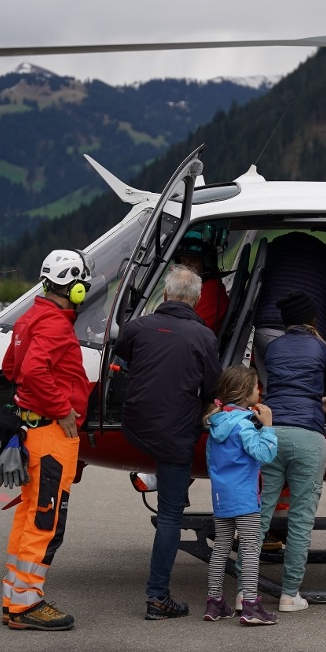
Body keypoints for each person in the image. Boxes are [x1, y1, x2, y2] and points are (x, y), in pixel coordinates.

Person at [115, 264, 222, 620]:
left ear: (164, 295)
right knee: (170, 517)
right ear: (196, 301)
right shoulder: (204, 337)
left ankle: (155, 474)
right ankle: (157, 597)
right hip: (175, 435)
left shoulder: (137, 327)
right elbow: (211, 389)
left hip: (134, 426)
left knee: (165, 466)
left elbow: (123, 360)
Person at [0, 249, 94, 630]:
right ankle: (27, 605)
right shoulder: (54, 323)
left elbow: (11, 368)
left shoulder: (30, 317)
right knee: (44, 520)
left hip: (29, 431)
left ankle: (15, 600)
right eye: (82, 282)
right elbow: (35, 370)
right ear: (73, 286)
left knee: (28, 517)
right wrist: (63, 408)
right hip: (52, 435)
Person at [256, 290, 326, 612]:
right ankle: (290, 595)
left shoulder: (274, 347)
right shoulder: (325, 348)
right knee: (301, 519)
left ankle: (245, 592)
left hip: (273, 432)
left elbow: (281, 387)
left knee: (262, 514)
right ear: (312, 319)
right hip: (307, 436)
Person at [203, 366, 279, 625]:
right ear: (246, 393)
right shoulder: (244, 425)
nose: (260, 390)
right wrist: (267, 427)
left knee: (221, 547)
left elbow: (211, 460)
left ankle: (214, 603)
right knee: (249, 548)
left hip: (221, 495)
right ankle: (251, 605)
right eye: (257, 386)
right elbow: (265, 454)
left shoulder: (217, 421)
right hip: (245, 496)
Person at [252, 232, 326, 385]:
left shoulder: (273, 249)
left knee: (273, 392)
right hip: (305, 338)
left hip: (262, 332)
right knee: (304, 393)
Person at [174, 232, 230, 337]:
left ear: (206, 264)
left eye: (193, 261)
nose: (187, 266)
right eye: (183, 260)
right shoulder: (189, 289)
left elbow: (192, 333)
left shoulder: (211, 289)